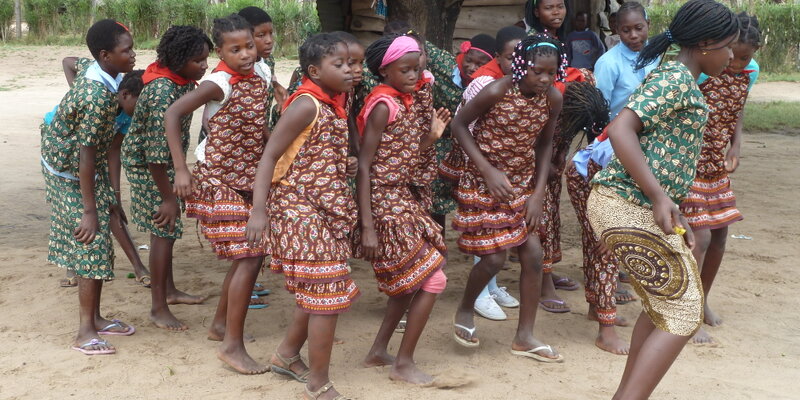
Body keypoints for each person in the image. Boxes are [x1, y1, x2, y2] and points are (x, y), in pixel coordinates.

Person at [587, 1, 739, 397]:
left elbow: (663, 152)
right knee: (685, 312)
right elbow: (620, 130)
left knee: (663, 308)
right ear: (705, 44)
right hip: (624, 203)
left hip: (635, 205)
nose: (731, 55)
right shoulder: (675, 78)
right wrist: (658, 197)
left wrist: (670, 206)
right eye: (727, 46)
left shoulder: (679, 77)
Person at [245, 33, 358, 399]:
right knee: (327, 289)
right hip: (298, 208)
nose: (350, 70)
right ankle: (317, 382)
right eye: (339, 64)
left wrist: (344, 164)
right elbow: (269, 156)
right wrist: (258, 211)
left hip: (324, 207)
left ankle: (287, 355)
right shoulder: (306, 104)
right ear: (314, 71)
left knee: (318, 288)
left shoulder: (334, 102)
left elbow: (313, 151)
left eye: (351, 63)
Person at [163, 15, 270, 374]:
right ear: (221, 52)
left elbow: (259, 126)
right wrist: (181, 169)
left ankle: (221, 326)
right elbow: (173, 114)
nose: (245, 54)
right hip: (219, 179)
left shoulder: (262, 74)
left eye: (249, 46)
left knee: (248, 256)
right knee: (250, 255)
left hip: (250, 177)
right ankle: (231, 346)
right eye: (235, 49)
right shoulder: (217, 83)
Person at [451, 35, 564, 363]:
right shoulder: (497, 90)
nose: (544, 79)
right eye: (537, 71)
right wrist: (486, 170)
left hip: (521, 183)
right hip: (484, 182)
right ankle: (465, 309)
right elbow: (459, 125)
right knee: (494, 259)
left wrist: (538, 193)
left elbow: (545, 144)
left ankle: (524, 337)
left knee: (533, 254)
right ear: (520, 66)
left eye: (551, 73)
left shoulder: (552, 99)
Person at [356, 34, 451, 385]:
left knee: (408, 283)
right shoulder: (384, 105)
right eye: (405, 70)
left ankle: (379, 351)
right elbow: (365, 166)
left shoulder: (403, 101)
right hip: (385, 203)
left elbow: (400, 155)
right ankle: (403, 363)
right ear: (385, 71)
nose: (414, 75)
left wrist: (431, 138)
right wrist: (367, 226)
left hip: (400, 197)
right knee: (434, 277)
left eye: (417, 69)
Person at [40, 19, 136, 355]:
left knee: (101, 232)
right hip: (66, 169)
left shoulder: (103, 71)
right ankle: (84, 332)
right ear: (105, 55)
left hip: (81, 164)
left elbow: (71, 63)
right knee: (90, 241)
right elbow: (86, 156)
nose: (133, 55)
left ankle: (96, 318)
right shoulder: (96, 97)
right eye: (126, 50)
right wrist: (89, 210)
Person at [122, 25, 212, 332]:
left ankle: (170, 291)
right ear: (178, 59)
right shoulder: (162, 91)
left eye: (206, 59)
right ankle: (158, 308)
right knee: (163, 228)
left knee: (168, 230)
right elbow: (154, 155)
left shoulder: (181, 81)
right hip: (149, 165)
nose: (204, 65)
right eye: (198, 60)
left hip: (163, 162)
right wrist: (167, 198)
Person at [681, 11, 761, 345]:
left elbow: (738, 108)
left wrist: (736, 146)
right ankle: (685, 314)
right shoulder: (704, 71)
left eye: (745, 58)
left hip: (716, 163)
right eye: (734, 55)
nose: (737, 63)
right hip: (690, 163)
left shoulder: (749, 72)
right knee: (698, 239)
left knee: (720, 236)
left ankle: (702, 301)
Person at [440, 25, 528, 321]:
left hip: (499, 169)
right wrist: (481, 169)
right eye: (512, 57)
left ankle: (490, 286)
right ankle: (480, 296)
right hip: (479, 169)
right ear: (499, 57)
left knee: (496, 229)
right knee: (485, 231)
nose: (519, 62)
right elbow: (464, 126)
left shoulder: (515, 83)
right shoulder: (485, 83)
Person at [52, 58, 151, 288]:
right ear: (125, 95)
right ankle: (73, 266)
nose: (143, 111)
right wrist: (79, 94)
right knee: (76, 209)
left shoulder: (127, 114)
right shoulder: (97, 95)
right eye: (141, 104)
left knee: (111, 207)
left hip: (91, 154)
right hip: (64, 152)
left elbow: (113, 152)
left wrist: (116, 193)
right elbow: (67, 62)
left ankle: (138, 267)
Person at [562, 82, 632, 355]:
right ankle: (606, 331)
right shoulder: (623, 144)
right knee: (606, 248)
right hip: (587, 181)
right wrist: (609, 228)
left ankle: (597, 308)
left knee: (601, 244)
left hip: (603, 182)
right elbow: (610, 188)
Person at [594, 1, 657, 121]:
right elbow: (600, 109)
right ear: (617, 30)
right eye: (626, 31)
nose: (633, 35)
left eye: (639, 28)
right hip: (616, 130)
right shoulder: (608, 64)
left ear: (648, 24)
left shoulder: (655, 55)